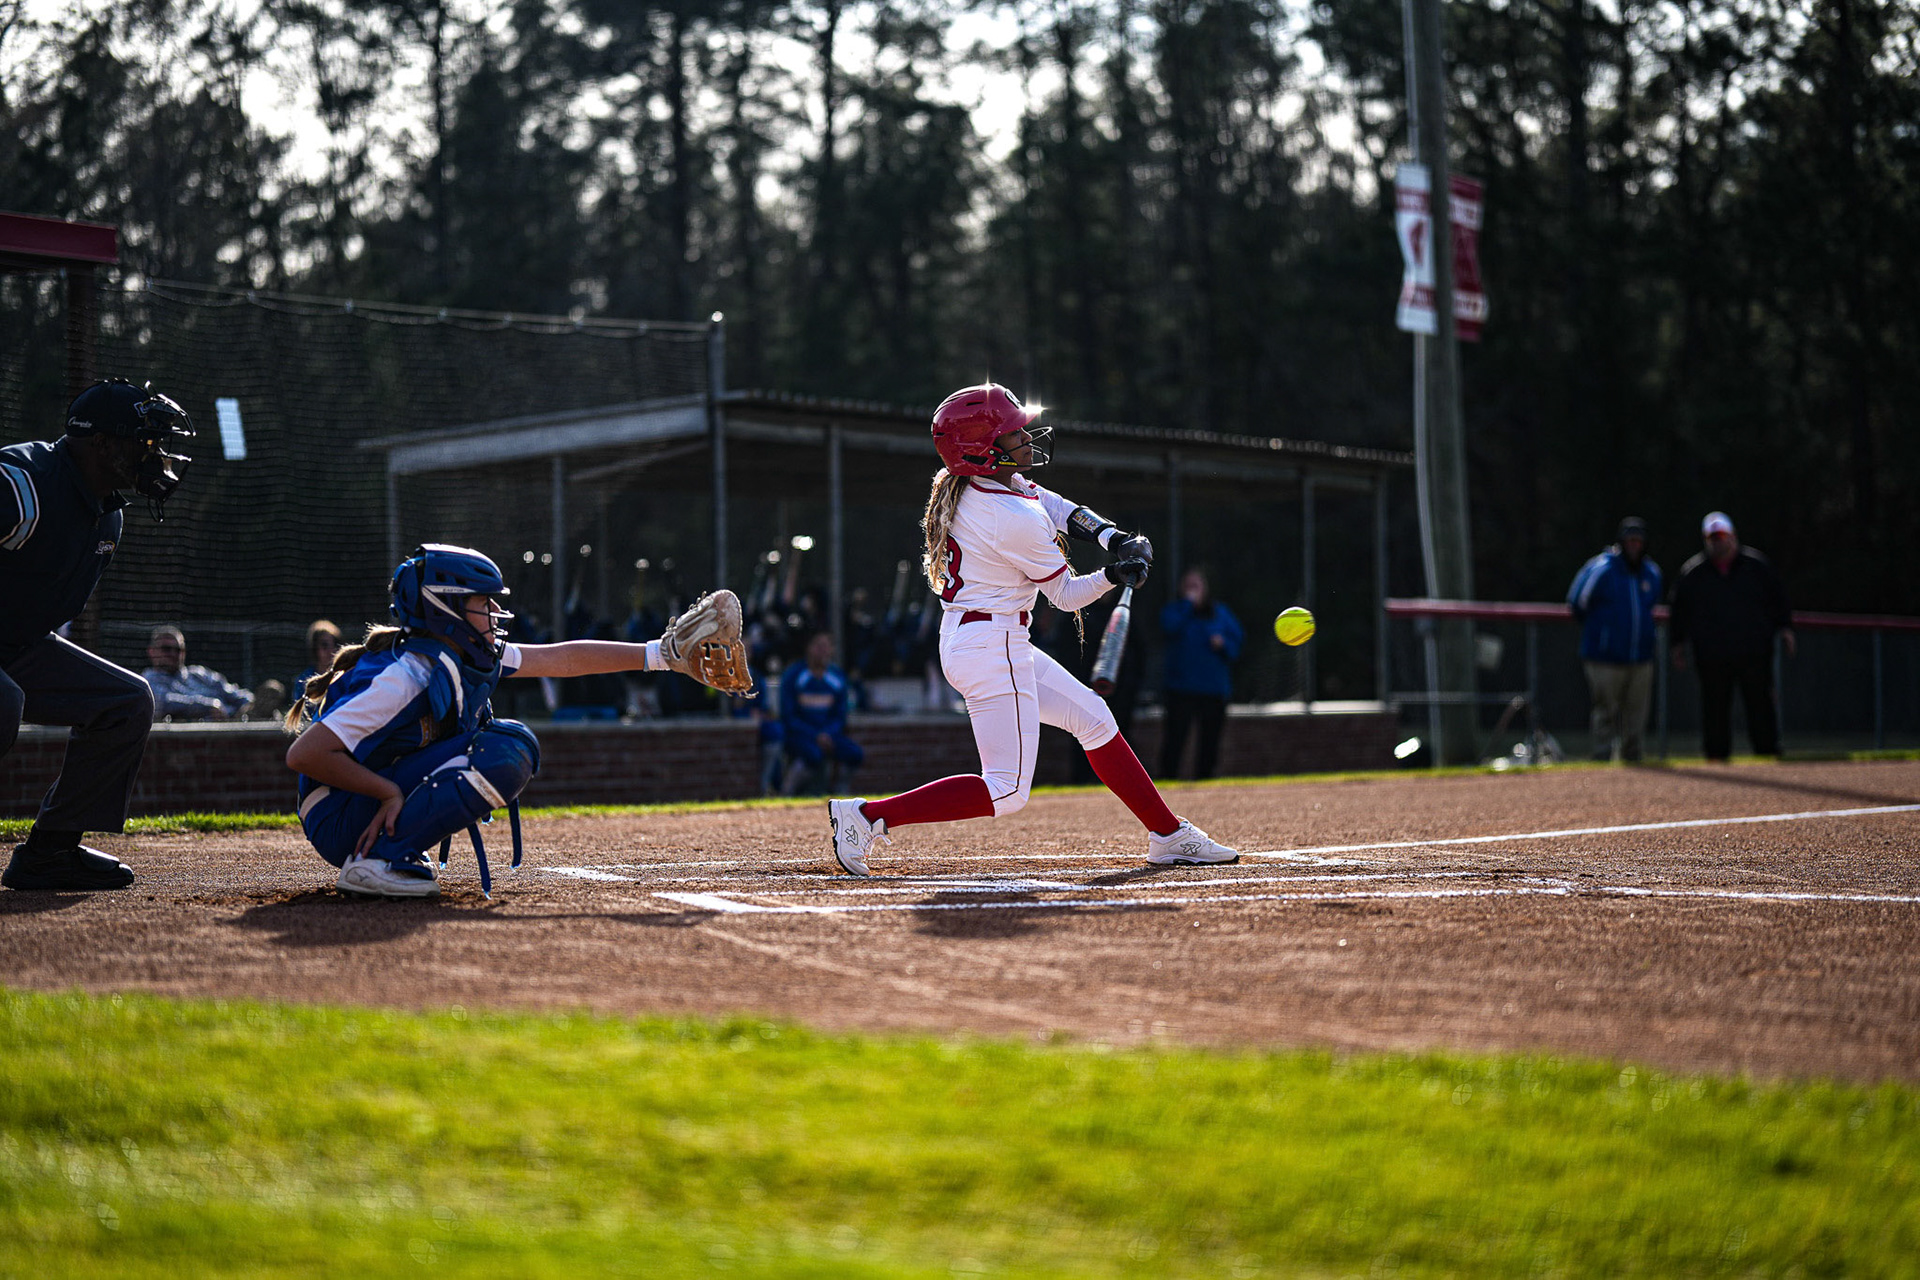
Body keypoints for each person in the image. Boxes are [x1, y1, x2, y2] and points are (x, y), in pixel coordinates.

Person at [826, 383, 1239, 875]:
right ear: (983, 449)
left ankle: (1168, 834)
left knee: (1094, 718)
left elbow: (1054, 504)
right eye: (1012, 433)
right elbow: (1065, 596)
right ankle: (867, 816)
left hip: (981, 638)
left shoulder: (980, 484)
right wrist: (1113, 575)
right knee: (1006, 789)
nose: (1025, 438)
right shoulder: (1008, 516)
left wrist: (1114, 538)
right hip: (992, 644)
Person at [285, 543, 751, 898]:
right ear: (445, 607)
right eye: (481, 603)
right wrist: (387, 792)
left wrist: (663, 656)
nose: (494, 612)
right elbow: (305, 754)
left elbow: (563, 659)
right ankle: (380, 860)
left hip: (358, 806)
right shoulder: (406, 675)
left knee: (508, 743)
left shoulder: (459, 654)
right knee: (506, 748)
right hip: (338, 816)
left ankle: (391, 851)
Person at [0, 378, 194, 892]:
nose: (157, 455)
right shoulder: (19, 485)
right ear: (102, 443)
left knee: (126, 701)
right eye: (146, 441)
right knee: (2, 700)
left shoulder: (106, 516)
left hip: (14, 646)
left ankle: (51, 852)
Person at [1668, 512, 1794, 761]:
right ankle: (1716, 757)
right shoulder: (1693, 572)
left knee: (1760, 704)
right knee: (1714, 708)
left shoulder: (1756, 566)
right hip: (1712, 654)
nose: (1718, 542)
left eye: (1722, 536)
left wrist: (1786, 628)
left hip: (1753, 651)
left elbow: (1779, 598)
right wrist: (1677, 644)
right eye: (1713, 538)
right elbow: (1679, 610)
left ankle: (1767, 753)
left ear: (1733, 536)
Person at [1566, 516, 1663, 762]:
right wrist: (1603, 634)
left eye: (1638, 541)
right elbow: (1577, 602)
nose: (1634, 545)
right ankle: (1602, 756)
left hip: (1640, 655)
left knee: (1636, 713)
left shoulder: (1651, 572)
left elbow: (1651, 604)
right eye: (1630, 540)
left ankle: (1633, 757)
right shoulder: (1602, 568)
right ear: (1621, 542)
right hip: (1604, 656)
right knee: (1605, 710)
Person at [1158, 568, 1243, 779]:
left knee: (1210, 740)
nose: (1193, 590)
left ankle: (1205, 778)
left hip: (1214, 689)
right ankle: (1168, 778)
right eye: (1189, 586)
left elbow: (1237, 643)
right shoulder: (1175, 611)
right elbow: (1169, 628)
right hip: (1180, 689)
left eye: (1197, 585)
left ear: (1206, 588)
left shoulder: (1220, 613)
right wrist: (1188, 605)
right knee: (1175, 738)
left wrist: (1223, 644)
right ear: (1181, 589)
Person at [779, 631, 864, 795]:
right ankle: (788, 791)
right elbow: (788, 716)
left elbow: (840, 716)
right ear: (808, 648)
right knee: (812, 754)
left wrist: (827, 734)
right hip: (801, 735)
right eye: (818, 646)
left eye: (827, 646)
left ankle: (840, 792)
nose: (823, 651)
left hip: (829, 735)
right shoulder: (794, 676)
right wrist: (815, 735)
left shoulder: (837, 677)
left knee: (855, 754)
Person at [141, 625, 254, 721]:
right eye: (166, 649)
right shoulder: (148, 680)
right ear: (152, 651)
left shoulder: (200, 674)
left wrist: (247, 705)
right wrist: (208, 706)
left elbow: (237, 694)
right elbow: (165, 702)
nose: (173, 653)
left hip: (236, 726)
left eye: (178, 650)